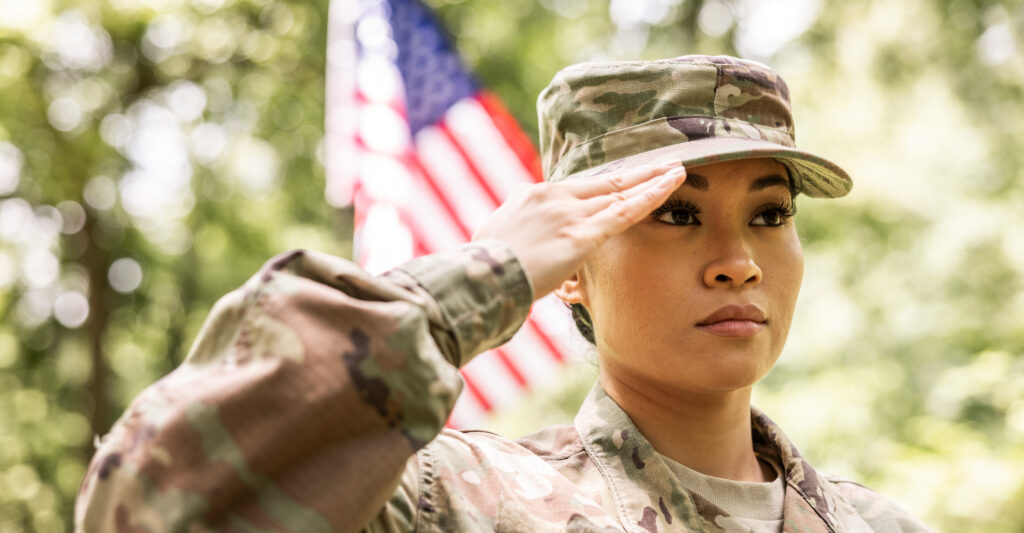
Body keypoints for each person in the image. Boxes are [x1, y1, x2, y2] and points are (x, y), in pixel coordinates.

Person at [75, 55, 932, 532]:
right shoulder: (455, 501)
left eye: (771, 212)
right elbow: (153, 504)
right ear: (570, 268)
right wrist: (480, 278)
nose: (737, 260)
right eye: (674, 214)